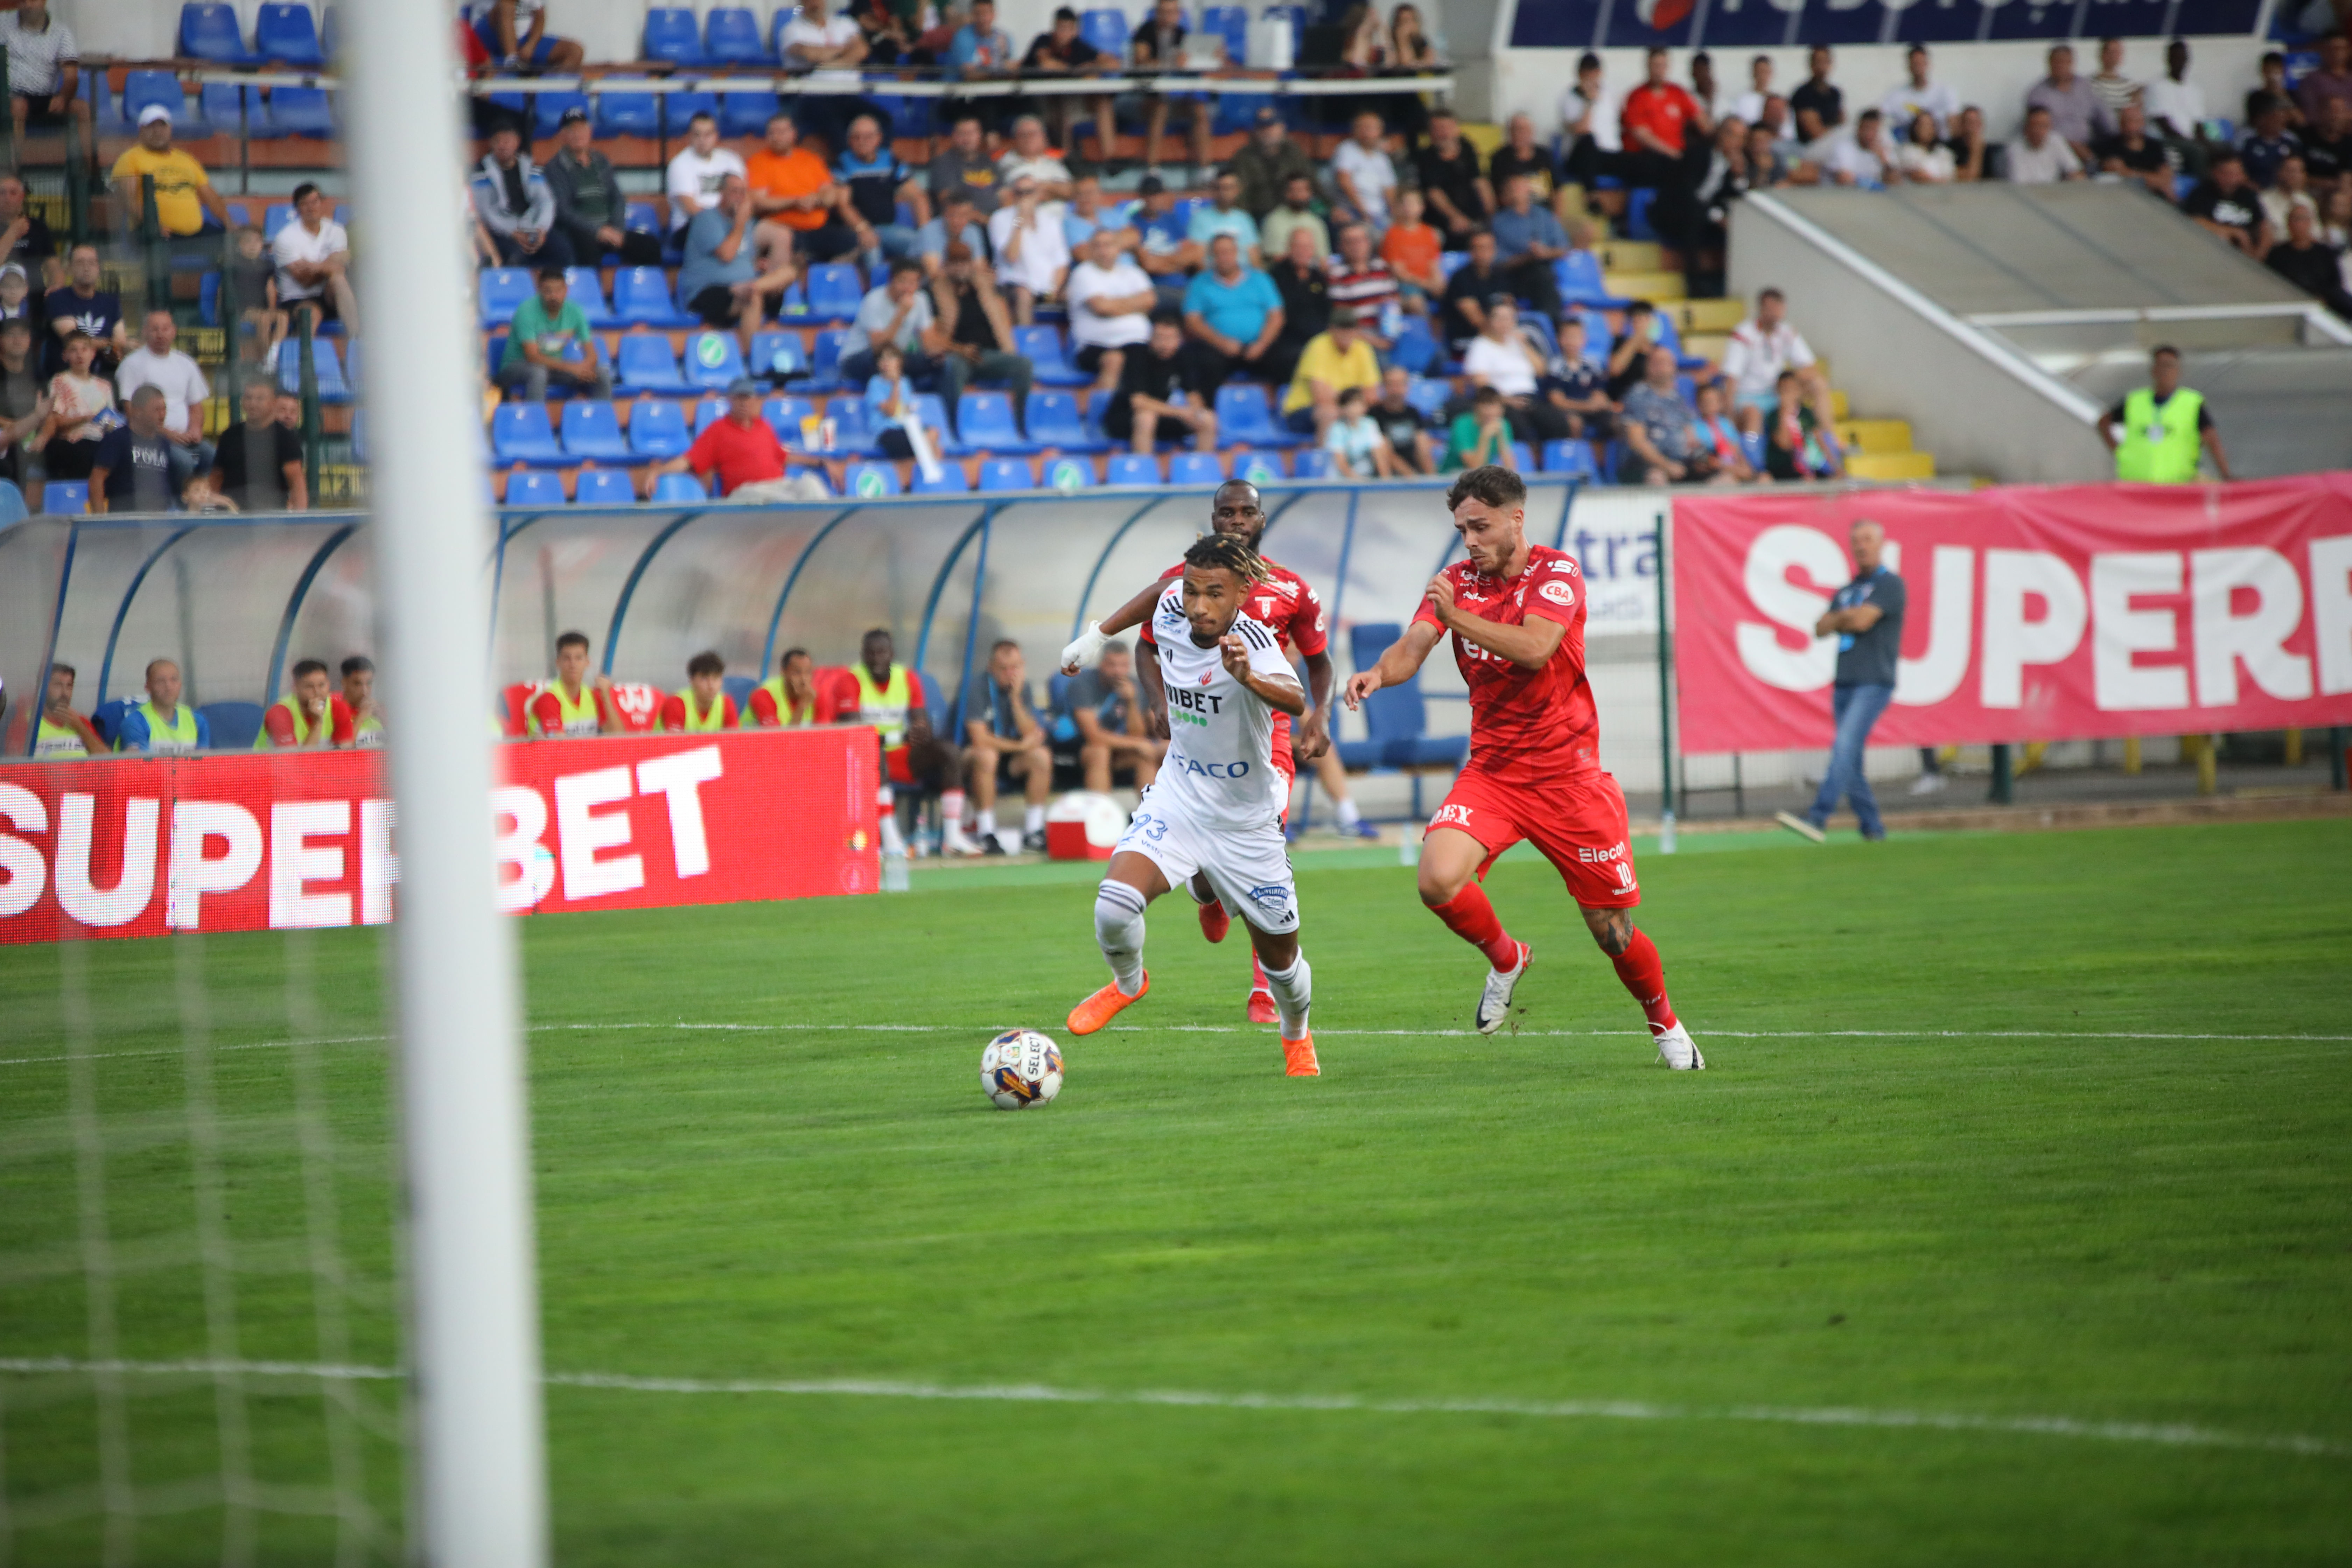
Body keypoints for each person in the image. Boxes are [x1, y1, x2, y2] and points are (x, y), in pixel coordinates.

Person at [1343, 465, 1703, 1068]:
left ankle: (1665, 1024)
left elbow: (1537, 649)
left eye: (1480, 527)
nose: (1470, 542)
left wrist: (1455, 617)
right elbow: (1415, 643)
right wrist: (1381, 673)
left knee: (1611, 932)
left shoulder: (1557, 572)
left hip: (1570, 778)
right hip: (1494, 773)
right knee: (1436, 879)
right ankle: (1507, 957)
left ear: (1516, 518)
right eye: (1462, 530)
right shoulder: (1457, 581)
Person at [1064, 534, 1320, 1076]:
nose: (1199, 606)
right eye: (1192, 591)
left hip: (1247, 822)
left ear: (1242, 595)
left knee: (1283, 966)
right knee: (1113, 907)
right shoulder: (1172, 606)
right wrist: (1098, 636)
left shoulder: (1254, 643)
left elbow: (1295, 698)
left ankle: (1296, 1034)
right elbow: (1157, 592)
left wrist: (1247, 676)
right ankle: (1130, 984)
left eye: (1214, 594)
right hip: (1179, 797)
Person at [1770, 518, 1905, 846]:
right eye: (1857, 541)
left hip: (1874, 681)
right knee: (1852, 761)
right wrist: (1845, 617)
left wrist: (1843, 618)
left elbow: (1860, 622)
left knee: (1844, 746)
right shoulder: (1847, 590)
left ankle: (1818, 816)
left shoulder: (1890, 585)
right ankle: (1873, 828)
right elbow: (1820, 628)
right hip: (1845, 681)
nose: (1862, 546)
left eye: (1868, 539)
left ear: (1880, 543)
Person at [849, 625, 978, 856]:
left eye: (882, 653)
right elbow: (854, 730)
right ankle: (889, 838)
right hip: (865, 757)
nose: (877, 659)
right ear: (862, 655)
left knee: (949, 751)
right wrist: (898, 737)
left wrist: (919, 731)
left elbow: (921, 726)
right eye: (871, 653)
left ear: (892, 654)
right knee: (874, 749)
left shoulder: (907, 678)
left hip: (901, 754)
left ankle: (952, 837)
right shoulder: (851, 680)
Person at [678, 174, 795, 351]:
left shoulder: (747, 225)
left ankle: (755, 286)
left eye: (743, 192)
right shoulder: (706, 219)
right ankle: (752, 359)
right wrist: (740, 222)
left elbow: (744, 256)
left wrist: (755, 266)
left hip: (743, 288)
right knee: (752, 298)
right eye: (734, 192)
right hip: (708, 292)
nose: (739, 197)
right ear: (722, 193)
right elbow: (727, 254)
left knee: (789, 273)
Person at [930, 241, 1035, 434]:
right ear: (946, 265)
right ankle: (951, 426)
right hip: (958, 354)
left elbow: (1002, 321)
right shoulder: (935, 291)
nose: (960, 268)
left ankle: (1020, 424)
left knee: (1024, 365)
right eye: (955, 263)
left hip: (988, 355)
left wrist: (1008, 348)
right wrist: (960, 349)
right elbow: (933, 337)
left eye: (964, 263)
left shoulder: (985, 289)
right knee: (954, 367)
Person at [960, 638, 1054, 853]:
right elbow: (979, 738)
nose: (1010, 674)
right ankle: (986, 832)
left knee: (1041, 756)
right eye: (1004, 669)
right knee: (987, 756)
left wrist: (1015, 700)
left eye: (1016, 668)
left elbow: (1031, 734)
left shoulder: (1023, 687)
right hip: (971, 758)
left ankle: (1034, 831)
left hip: (1008, 757)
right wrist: (1020, 748)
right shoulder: (976, 686)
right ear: (990, 667)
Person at [649, 378, 805, 500]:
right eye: (739, 398)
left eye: (747, 398)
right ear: (730, 400)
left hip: (778, 486)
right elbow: (689, 460)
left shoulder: (764, 426)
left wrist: (821, 462)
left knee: (810, 484)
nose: (743, 403)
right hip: (746, 493)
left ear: (755, 401)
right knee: (782, 501)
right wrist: (658, 471)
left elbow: (784, 457)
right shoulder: (719, 429)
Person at [545, 105, 657, 270]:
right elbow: (563, 211)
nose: (578, 134)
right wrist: (597, 231)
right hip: (580, 233)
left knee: (650, 245)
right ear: (562, 136)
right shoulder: (555, 168)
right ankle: (591, 295)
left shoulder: (601, 161)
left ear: (590, 131)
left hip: (610, 229)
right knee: (587, 250)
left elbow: (618, 198)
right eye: (571, 130)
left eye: (582, 128)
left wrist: (617, 230)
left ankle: (642, 292)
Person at [114, 308, 213, 494]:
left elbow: (196, 407)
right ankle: (179, 502)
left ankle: (200, 500)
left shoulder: (186, 364)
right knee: (183, 462)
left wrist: (195, 430)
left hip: (186, 438)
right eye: (155, 329)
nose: (160, 334)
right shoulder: (132, 364)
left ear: (174, 331)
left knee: (211, 455)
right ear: (144, 332)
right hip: (151, 439)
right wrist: (167, 434)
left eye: (166, 329)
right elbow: (131, 411)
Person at [747, 114, 860, 272]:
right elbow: (759, 202)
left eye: (782, 132)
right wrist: (795, 202)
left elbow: (830, 195)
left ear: (793, 134)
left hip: (817, 229)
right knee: (788, 246)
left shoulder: (811, 160)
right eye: (772, 133)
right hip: (783, 228)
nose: (777, 137)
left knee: (853, 241)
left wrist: (815, 200)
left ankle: (827, 282)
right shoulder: (758, 162)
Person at [2100, 344, 2230, 481]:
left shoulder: (2191, 404)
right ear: (2154, 370)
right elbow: (2103, 423)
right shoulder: (2135, 401)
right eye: (2161, 365)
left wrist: (2226, 474)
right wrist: (2122, 453)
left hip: (2176, 486)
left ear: (2179, 371)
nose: (2165, 371)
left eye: (2170, 366)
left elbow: (2212, 439)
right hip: (2136, 485)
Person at [1103, 310, 1216, 453]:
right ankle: (1144, 469)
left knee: (1208, 419)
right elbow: (1139, 402)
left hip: (1165, 415)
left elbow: (1193, 394)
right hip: (1126, 417)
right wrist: (1180, 413)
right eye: (1159, 338)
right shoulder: (1138, 357)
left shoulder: (1184, 357)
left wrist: (1195, 413)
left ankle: (1203, 469)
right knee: (1146, 418)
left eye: (1170, 338)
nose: (1164, 344)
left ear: (1179, 340)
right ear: (1151, 338)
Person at [110, 104, 230, 239]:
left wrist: (230, 224)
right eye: (151, 126)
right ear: (141, 130)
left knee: (226, 238)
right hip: (154, 232)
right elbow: (128, 201)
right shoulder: (130, 159)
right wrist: (154, 226)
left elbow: (211, 197)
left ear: (170, 129)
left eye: (163, 126)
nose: (158, 131)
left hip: (195, 234)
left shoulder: (186, 160)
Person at [1182, 233, 1283, 386]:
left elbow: (1277, 316)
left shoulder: (1261, 279)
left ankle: (1280, 407)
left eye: (1228, 252)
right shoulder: (1200, 283)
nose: (1224, 257)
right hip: (1217, 347)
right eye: (1219, 253)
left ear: (1237, 253)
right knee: (1204, 363)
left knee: (1285, 359)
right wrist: (1221, 343)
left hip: (1259, 346)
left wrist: (1261, 345)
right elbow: (1192, 320)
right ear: (1212, 256)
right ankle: (1210, 408)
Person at [1064, 224, 1155, 393]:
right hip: (1095, 346)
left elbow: (1149, 302)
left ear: (1119, 249)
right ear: (1091, 250)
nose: (1103, 250)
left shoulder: (1134, 273)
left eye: (1109, 245)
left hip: (1138, 343)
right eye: (1097, 246)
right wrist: (1135, 306)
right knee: (1115, 359)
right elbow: (1102, 308)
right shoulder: (1083, 274)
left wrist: (1114, 305)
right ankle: (1104, 413)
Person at [497, 267, 609, 403]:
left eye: (558, 291)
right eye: (548, 291)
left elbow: (592, 353)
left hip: (553, 369)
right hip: (517, 366)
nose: (554, 296)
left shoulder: (575, 312)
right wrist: (573, 368)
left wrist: (584, 367)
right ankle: (536, 421)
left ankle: (602, 420)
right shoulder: (526, 312)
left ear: (566, 291)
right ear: (540, 291)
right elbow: (533, 357)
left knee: (602, 373)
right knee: (538, 373)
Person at [1066, 639, 1164, 792]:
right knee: (1100, 752)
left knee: (1146, 756)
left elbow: (1137, 734)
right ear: (1101, 664)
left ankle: (1149, 813)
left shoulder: (1135, 685)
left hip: (1122, 751)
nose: (1118, 671)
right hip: (1085, 751)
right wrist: (1138, 744)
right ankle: (1100, 812)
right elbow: (1093, 736)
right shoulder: (1083, 685)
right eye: (1112, 665)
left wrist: (1131, 702)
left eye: (1124, 666)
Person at [835, 112, 929, 271]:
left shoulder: (891, 160)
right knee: (872, 247)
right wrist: (863, 229)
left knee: (923, 245)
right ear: (850, 141)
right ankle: (878, 293)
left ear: (879, 138)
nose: (862, 142)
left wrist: (926, 232)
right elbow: (843, 204)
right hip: (857, 231)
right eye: (857, 138)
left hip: (888, 229)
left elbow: (917, 196)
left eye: (868, 137)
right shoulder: (843, 163)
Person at [1622, 345, 1726, 486]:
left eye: (1666, 363)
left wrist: (1703, 461)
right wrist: (1666, 465)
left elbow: (1691, 438)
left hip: (1682, 463)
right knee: (1656, 478)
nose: (1662, 367)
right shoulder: (1637, 396)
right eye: (1657, 363)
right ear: (1648, 367)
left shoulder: (1678, 400)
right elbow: (1637, 442)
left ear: (1674, 367)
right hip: (1647, 466)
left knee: (1725, 480)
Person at [778, 0, 874, 152]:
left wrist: (828, 64)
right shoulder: (792, 30)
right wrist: (845, 49)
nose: (815, 3)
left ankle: (881, 166)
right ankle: (845, 167)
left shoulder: (845, 23)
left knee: (881, 119)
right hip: (815, 95)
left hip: (850, 93)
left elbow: (862, 50)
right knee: (837, 125)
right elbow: (810, 54)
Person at [1020, 15, 1115, 168]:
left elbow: (1112, 63)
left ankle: (1110, 161)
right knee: (1061, 103)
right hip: (1033, 101)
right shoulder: (1044, 41)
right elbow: (1046, 64)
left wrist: (1092, 64)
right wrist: (1076, 70)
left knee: (1103, 102)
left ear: (1075, 31)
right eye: (1060, 28)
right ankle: (1066, 160)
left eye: (1068, 29)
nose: (1064, 33)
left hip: (1071, 99)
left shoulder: (1078, 46)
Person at [473, 122, 571, 269]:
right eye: (498, 141)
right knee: (515, 256)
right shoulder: (480, 173)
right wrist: (514, 232)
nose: (503, 146)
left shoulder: (532, 168)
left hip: (533, 226)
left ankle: (556, 288)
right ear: (491, 143)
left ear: (517, 142)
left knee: (564, 250)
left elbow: (546, 201)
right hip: (502, 231)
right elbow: (486, 212)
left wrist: (541, 229)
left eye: (507, 141)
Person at [1132, 0, 1215, 172]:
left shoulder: (1184, 36)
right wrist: (1171, 62)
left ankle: (1205, 169)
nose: (1167, 17)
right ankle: (1152, 168)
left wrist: (1210, 58)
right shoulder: (1145, 32)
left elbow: (1192, 67)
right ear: (1156, 13)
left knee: (1200, 109)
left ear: (1179, 15)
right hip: (1144, 94)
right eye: (1163, 12)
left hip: (1176, 94)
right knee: (1160, 107)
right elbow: (1141, 62)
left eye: (1172, 12)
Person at [272, 182, 358, 338]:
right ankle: (300, 360)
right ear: (297, 208)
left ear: (322, 203)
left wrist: (315, 266)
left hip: (328, 295)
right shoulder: (285, 238)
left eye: (315, 202)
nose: (311, 208)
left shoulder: (336, 231)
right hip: (297, 298)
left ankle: (356, 341)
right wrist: (329, 264)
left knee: (339, 279)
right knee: (311, 313)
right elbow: (305, 281)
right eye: (305, 204)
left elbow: (339, 270)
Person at [3, 1, 88, 158]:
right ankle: (13, 170)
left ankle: (91, 175)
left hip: (45, 96)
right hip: (10, 95)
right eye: (23, 1)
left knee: (82, 108)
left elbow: (71, 76)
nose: (28, 5)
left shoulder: (62, 33)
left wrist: (63, 97)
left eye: (33, 1)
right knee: (18, 106)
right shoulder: (3, 25)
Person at [210, 376, 308, 511]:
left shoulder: (286, 438)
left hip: (270, 518)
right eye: (249, 398)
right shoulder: (230, 435)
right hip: (231, 517)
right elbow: (216, 477)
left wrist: (299, 522)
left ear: (274, 403)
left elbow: (297, 484)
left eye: (260, 399)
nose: (253, 404)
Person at [1281, 304, 1378, 440]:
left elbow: (1371, 395)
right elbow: (1321, 397)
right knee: (1329, 413)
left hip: (1349, 409)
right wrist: (1352, 405)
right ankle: (1327, 459)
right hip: (1303, 410)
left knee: (1383, 414)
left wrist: (1352, 407)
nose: (1347, 334)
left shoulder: (1363, 349)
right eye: (1342, 329)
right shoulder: (1318, 346)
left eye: (1350, 329)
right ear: (1331, 329)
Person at [986, 174, 1071, 323]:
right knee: (1023, 294)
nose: (1025, 197)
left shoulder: (1050, 220)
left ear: (1038, 194)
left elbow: (1061, 262)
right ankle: (1026, 341)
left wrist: (1054, 289)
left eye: (1029, 192)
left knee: (1077, 294)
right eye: (1020, 193)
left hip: (1048, 285)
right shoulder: (1000, 218)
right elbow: (1011, 256)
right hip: (1015, 284)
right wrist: (1020, 219)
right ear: (1014, 195)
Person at [841, 255, 938, 383]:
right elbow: (878, 347)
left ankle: (939, 403)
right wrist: (901, 315)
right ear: (891, 280)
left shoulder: (921, 299)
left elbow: (928, 342)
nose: (907, 288)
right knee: (884, 362)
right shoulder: (873, 300)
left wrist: (935, 354)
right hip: (860, 357)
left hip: (896, 357)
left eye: (913, 283)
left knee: (941, 364)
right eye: (902, 282)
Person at [1620, 46, 1704, 190]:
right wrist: (1672, 153)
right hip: (1649, 156)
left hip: (1678, 155)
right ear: (1648, 67)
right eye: (1656, 66)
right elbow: (1642, 136)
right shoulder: (1637, 97)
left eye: (1663, 66)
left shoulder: (1677, 93)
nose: (1659, 71)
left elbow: (1702, 121)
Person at [1717, 287, 1815, 410]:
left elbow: (1809, 366)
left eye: (1778, 309)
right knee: (1753, 413)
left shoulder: (1787, 332)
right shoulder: (1743, 334)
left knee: (1817, 385)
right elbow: (1731, 375)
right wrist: (1729, 413)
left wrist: (1790, 382)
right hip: (1748, 395)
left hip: (1777, 393)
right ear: (1761, 309)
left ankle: (1825, 429)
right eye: (1771, 309)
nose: (1775, 314)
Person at [1490, 174, 1568, 321]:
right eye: (1513, 189)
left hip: (1544, 272)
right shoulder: (1499, 223)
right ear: (1506, 193)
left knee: (1543, 275)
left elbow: (1563, 248)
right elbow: (1498, 263)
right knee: (1541, 276)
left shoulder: (1544, 216)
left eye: (1521, 188)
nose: (1517, 192)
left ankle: (1549, 322)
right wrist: (1529, 256)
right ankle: (1550, 323)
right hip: (1513, 276)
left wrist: (1545, 253)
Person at [37, 328, 111, 480]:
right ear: (65, 356)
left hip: (101, 441)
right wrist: (86, 418)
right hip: (74, 442)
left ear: (93, 353)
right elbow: (56, 421)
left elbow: (113, 421)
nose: (80, 355)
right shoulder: (60, 381)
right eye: (74, 350)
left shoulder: (105, 386)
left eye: (85, 349)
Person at [43, 242, 125, 378]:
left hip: (106, 376)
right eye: (80, 263)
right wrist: (110, 344)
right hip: (67, 377)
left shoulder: (111, 301)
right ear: (69, 268)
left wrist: (113, 345)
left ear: (99, 268)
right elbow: (75, 340)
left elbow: (121, 341)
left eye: (92, 263)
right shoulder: (57, 298)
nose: (87, 268)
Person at [1264, 225, 1331, 391]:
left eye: (1307, 247)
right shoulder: (1275, 276)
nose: (1302, 251)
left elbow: (1327, 311)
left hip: (1318, 338)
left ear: (1313, 251)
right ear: (1289, 249)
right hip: (1286, 339)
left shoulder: (1319, 277)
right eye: (1298, 247)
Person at [1416, 110, 1494, 249]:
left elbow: (1480, 181)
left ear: (1457, 130)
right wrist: (1455, 217)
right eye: (1439, 129)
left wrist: (1492, 212)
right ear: (1431, 133)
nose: (1444, 134)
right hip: (1443, 219)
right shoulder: (1426, 158)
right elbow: (1434, 193)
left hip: (1474, 215)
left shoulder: (1467, 148)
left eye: (1448, 128)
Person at [664, 112, 747, 238]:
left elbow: (744, 198)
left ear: (716, 136)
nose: (702, 141)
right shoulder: (679, 164)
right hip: (691, 228)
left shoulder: (732, 160)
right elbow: (691, 208)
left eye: (708, 135)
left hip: (729, 223)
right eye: (697, 135)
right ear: (690, 137)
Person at [2026, 44, 2111, 166]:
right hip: (2054, 149)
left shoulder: (2086, 87)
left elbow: (2105, 121)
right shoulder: (2038, 94)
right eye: (2057, 62)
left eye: (2065, 62)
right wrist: (2071, 145)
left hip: (2089, 145)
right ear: (2049, 64)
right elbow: (2038, 131)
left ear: (2072, 63)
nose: (2061, 66)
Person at [2268, 203, 2352, 319]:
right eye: (2296, 220)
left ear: (2310, 223)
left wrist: (2325, 299)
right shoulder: (2277, 254)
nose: (2300, 224)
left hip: (2326, 304)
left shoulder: (2325, 253)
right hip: (2292, 303)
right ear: (2289, 224)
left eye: (2304, 220)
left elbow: (2335, 283)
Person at [1232, 106, 1316, 220]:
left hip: (1293, 212)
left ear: (1282, 127)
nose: (1267, 131)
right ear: (1256, 131)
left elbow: (1312, 181)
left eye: (1271, 126)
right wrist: (1245, 220)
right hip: (1257, 215)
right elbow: (1241, 195)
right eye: (1262, 127)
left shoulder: (1293, 152)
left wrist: (1332, 206)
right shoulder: (1244, 157)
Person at [2182, 150, 2268, 259]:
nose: (2234, 178)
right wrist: (2233, 232)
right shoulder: (2203, 191)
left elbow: (2264, 227)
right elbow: (2193, 219)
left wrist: (2257, 255)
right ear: (2215, 173)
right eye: (2229, 174)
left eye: (2238, 173)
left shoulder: (2248, 196)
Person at [527, 631, 614, 737]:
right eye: (567, 659)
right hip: (554, 754)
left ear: (588, 662)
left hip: (586, 753)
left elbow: (619, 738)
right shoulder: (548, 699)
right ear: (558, 663)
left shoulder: (594, 696)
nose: (573, 664)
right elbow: (560, 747)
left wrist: (606, 697)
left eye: (579, 658)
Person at [1559, 53, 1623, 196]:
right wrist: (1589, 102)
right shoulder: (1569, 97)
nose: (1591, 80)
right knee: (1589, 140)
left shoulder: (1610, 94)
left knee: (1635, 160)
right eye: (1587, 76)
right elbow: (1581, 130)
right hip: (1580, 158)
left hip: (1607, 155)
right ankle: (1592, 195)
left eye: (1594, 75)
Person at [114, 657, 210, 752]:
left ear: (180, 684)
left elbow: (203, 764)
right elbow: (138, 766)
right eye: (160, 681)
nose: (168, 687)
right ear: (148, 687)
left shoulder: (197, 720)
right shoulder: (135, 722)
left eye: (174, 680)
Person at [1762, 369, 1842, 482]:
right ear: (1778, 392)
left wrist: (1835, 467)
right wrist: (1785, 415)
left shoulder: (1806, 414)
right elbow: (1784, 444)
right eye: (1784, 391)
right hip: (1781, 468)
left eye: (1791, 390)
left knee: (1831, 480)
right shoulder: (1774, 416)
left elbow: (1819, 440)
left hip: (1804, 467)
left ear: (1799, 392)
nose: (1788, 394)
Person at [1436, 226, 1506, 355]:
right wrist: (1506, 341)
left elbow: (1508, 308)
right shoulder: (1461, 279)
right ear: (1471, 251)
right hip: (1467, 340)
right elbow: (1477, 321)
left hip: (1497, 336)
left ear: (1495, 250)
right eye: (1477, 248)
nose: (1482, 253)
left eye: (1486, 248)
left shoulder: (1500, 275)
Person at [260, 658, 357, 749]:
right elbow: (293, 762)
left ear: (329, 684)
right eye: (309, 687)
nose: (317, 692)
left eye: (322, 685)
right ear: (295, 688)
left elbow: (346, 751)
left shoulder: (338, 707)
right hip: (264, 766)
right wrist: (317, 723)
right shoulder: (280, 713)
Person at [225, 225, 286, 365]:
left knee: (283, 317)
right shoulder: (233, 264)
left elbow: (270, 289)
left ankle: (273, 353)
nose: (253, 246)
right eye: (248, 242)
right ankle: (266, 361)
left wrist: (271, 309)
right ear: (239, 244)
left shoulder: (267, 265)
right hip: (241, 310)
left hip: (262, 309)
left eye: (257, 241)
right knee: (264, 319)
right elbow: (224, 291)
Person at [1379, 187, 1446, 313]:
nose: (1409, 208)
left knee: (1453, 293)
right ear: (1398, 208)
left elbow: (1434, 265)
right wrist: (1427, 284)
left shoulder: (1429, 233)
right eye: (1405, 204)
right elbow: (1399, 273)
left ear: (1422, 207)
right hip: (1404, 286)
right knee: (1416, 303)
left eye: (1413, 203)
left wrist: (1438, 283)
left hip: (1427, 282)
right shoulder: (1393, 234)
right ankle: (1425, 332)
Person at [1332, 112, 1399, 234]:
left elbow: (1390, 188)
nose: (1366, 132)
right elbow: (1344, 181)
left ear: (1380, 131)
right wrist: (1364, 212)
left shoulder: (1382, 157)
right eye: (1362, 127)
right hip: (1354, 213)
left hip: (1381, 214)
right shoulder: (1347, 149)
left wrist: (1395, 215)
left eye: (1370, 128)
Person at [0, 316, 48, 489]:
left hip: (32, 437)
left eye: (23, 336)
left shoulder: (36, 373)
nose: (17, 341)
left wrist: (44, 436)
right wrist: (16, 429)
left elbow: (50, 413)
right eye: (11, 335)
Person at [470, 0, 584, 73]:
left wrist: (531, 45)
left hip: (524, 38)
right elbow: (495, 15)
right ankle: (512, 60)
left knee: (574, 51)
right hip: (488, 36)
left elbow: (540, 16)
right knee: (507, 5)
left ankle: (545, 91)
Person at [926, 111, 1002, 217]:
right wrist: (985, 220)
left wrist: (1003, 220)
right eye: (962, 134)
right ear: (954, 137)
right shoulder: (944, 163)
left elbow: (1005, 194)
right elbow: (949, 202)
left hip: (994, 221)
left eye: (971, 133)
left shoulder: (988, 162)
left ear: (980, 135)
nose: (967, 139)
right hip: (964, 224)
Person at [2093, 103, 2175, 198]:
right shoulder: (2109, 146)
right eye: (2127, 122)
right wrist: (2150, 179)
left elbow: (2164, 181)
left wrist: (2127, 172)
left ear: (2143, 123)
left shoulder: (2155, 147)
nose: (2131, 127)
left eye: (2135, 122)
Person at [1186, 170, 1262, 268]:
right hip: (1214, 278)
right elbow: (1198, 259)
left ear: (1237, 191)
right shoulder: (1200, 219)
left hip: (1244, 278)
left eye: (1228, 188)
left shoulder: (1245, 219)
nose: (1223, 193)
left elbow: (1254, 256)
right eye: (1219, 188)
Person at [861, 340, 923, 459]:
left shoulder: (905, 383)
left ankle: (933, 474)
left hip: (904, 428)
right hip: (885, 432)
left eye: (891, 358)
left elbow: (906, 410)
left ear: (899, 361)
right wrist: (895, 384)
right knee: (917, 443)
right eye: (882, 359)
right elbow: (891, 411)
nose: (886, 362)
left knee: (932, 434)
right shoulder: (875, 383)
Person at [1878, 44, 1957, 138]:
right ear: (1909, 67)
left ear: (1928, 64)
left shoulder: (1945, 92)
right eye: (1915, 64)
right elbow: (1879, 117)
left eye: (1921, 63)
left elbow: (1954, 123)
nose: (1918, 68)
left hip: (1938, 145)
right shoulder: (1896, 95)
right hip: (1907, 147)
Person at [1370, 363, 1436, 473]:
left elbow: (1422, 444)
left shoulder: (1413, 412)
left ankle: (1432, 479)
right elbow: (1384, 450)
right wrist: (1410, 476)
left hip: (1414, 466)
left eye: (1400, 385)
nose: (1396, 391)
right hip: (1386, 471)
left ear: (1407, 387)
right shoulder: (1374, 414)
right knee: (1381, 445)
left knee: (1423, 440)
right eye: (1391, 385)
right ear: (1384, 387)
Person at [1322, 385, 1399, 478]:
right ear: (1342, 408)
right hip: (1341, 479)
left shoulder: (1370, 424)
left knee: (1383, 445)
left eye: (1359, 404)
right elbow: (1340, 462)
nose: (1355, 409)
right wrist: (1358, 481)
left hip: (1366, 475)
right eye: (1351, 405)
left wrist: (1385, 481)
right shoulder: (1336, 429)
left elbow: (1378, 452)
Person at [30, 662, 102, 757]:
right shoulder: (28, 723)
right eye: (58, 685)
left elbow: (109, 762)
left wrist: (79, 727)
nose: (65, 693)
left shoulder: (80, 721)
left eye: (69, 686)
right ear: (43, 688)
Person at [915, 187, 990, 279]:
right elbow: (933, 272)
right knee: (941, 283)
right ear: (945, 214)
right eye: (952, 215)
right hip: (926, 285)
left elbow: (981, 267)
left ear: (971, 215)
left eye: (963, 215)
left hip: (963, 280)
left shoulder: (973, 231)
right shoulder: (929, 231)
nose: (957, 221)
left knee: (983, 280)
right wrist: (961, 270)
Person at [658, 651, 738, 732]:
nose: (711, 686)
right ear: (692, 681)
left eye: (716, 678)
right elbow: (674, 743)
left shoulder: (726, 703)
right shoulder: (676, 703)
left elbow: (735, 740)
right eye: (704, 679)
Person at [1261, 175, 1330, 267]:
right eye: (1294, 190)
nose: (1298, 195)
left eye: (1302, 190)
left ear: (1310, 194)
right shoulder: (1273, 220)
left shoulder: (1316, 222)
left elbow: (1324, 260)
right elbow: (1274, 259)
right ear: (1286, 193)